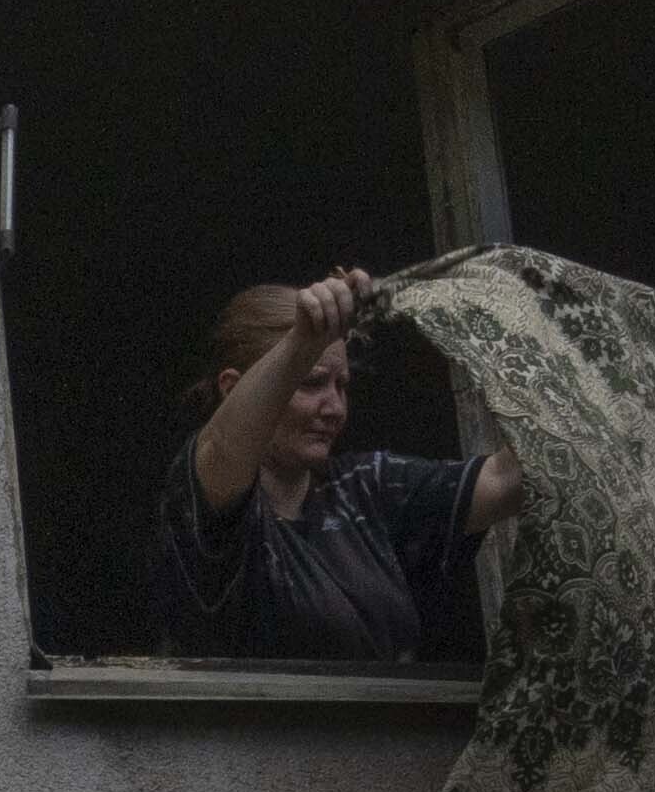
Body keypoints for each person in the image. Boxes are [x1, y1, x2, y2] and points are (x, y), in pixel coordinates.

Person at [149, 266, 515, 664]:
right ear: (233, 388)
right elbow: (221, 448)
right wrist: (301, 343)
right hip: (250, 727)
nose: (336, 408)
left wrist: (540, 344)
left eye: (342, 386)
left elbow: (505, 478)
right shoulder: (207, 505)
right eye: (311, 383)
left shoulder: (366, 488)